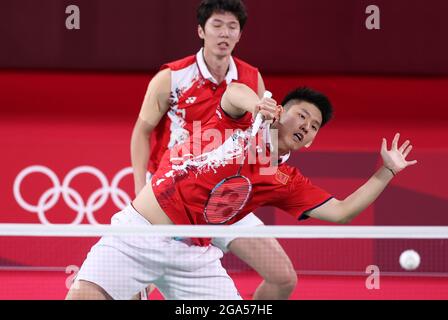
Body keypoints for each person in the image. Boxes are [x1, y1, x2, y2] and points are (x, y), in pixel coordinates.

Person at [66, 84, 417, 300]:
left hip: (193, 255)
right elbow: (234, 91)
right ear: (281, 111)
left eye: (313, 127)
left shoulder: (284, 179)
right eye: (301, 116)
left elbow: (342, 212)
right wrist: (257, 105)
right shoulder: (242, 121)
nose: (306, 126)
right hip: (137, 234)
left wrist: (386, 171)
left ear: (310, 141)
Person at [130, 0, 295, 299]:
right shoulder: (171, 78)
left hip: (224, 198)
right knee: (138, 285)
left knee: (283, 278)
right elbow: (141, 133)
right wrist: (140, 188)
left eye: (232, 27)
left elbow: (261, 141)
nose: (224, 33)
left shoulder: (251, 78)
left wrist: (281, 147)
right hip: (173, 195)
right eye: (217, 25)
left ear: (240, 35)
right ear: (201, 31)